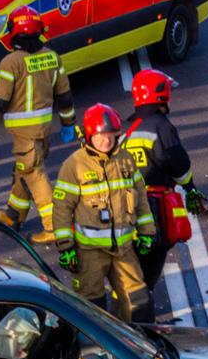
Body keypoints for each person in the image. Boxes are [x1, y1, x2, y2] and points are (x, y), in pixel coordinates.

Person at [0, 6, 75, 239]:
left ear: (13, 33)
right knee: (23, 171)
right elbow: (65, 95)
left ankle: (53, 226)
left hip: (24, 134)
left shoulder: (11, 62)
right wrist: (68, 123)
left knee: (34, 174)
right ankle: (13, 215)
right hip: (43, 131)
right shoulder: (52, 57)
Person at [53, 104, 155, 323]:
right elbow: (62, 209)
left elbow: (141, 200)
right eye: (100, 136)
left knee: (139, 299)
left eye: (110, 136)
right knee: (91, 307)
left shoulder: (126, 160)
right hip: (89, 253)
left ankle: (142, 346)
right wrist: (66, 247)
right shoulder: (73, 165)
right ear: (89, 135)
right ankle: (94, 353)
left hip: (124, 250)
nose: (106, 141)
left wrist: (147, 232)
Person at [122, 68, 204, 302]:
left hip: (127, 206)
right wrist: (191, 188)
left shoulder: (126, 128)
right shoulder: (161, 126)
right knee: (154, 256)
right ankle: (139, 308)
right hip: (155, 207)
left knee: (134, 257)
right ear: (161, 95)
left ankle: (129, 299)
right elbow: (177, 163)